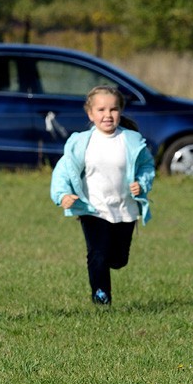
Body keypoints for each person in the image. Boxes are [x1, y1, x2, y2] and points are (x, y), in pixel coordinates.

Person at [50, 85, 155, 305]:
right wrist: (62, 195)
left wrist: (141, 184)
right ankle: (101, 295)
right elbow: (63, 169)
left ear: (120, 111)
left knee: (117, 260)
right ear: (90, 113)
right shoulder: (81, 142)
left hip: (125, 209)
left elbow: (146, 165)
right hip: (93, 208)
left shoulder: (132, 141)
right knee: (97, 253)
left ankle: (109, 266)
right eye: (101, 110)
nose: (107, 115)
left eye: (113, 109)